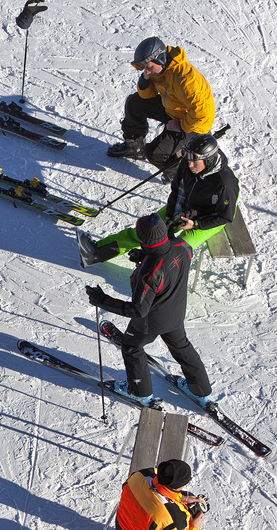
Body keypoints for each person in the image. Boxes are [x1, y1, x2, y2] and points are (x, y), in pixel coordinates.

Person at [85, 213, 212, 408]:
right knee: (182, 348)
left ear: (143, 239)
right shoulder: (182, 246)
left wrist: (102, 300)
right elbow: (167, 257)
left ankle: (140, 393)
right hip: (176, 312)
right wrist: (145, 255)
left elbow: (138, 310)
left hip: (151, 321)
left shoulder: (150, 272)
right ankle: (201, 391)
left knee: (131, 347)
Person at [79, 133, 239, 266]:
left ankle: (154, 277)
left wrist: (195, 224)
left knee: (178, 248)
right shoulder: (187, 164)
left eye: (194, 161)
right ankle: (96, 253)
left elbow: (225, 217)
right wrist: (170, 218)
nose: (190, 164)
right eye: (188, 158)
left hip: (208, 217)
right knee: (150, 229)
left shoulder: (225, 183)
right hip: (186, 206)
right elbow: (177, 191)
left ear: (209, 160)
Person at [106, 37, 215, 178]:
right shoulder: (160, 69)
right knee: (135, 102)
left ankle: (180, 175)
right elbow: (147, 95)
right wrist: (144, 80)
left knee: (154, 154)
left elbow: (203, 114)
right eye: (144, 68)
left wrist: (182, 126)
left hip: (193, 124)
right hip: (173, 108)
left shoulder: (186, 79)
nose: (147, 72)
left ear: (160, 58)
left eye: (149, 67)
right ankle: (134, 146)